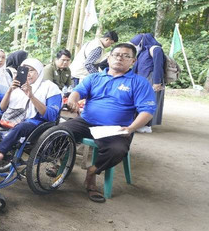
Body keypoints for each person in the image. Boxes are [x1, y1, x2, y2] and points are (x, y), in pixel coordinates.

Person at [57, 43, 155, 203]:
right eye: (116, 54)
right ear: (109, 58)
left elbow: (147, 111)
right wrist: (73, 100)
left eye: (126, 56)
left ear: (133, 61)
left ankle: (92, 172)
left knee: (117, 150)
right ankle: (59, 162)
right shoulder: (94, 77)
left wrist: (131, 128)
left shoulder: (139, 83)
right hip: (86, 121)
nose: (120, 58)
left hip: (116, 128)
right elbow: (77, 92)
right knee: (58, 132)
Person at [0, 58, 61, 170]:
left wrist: (31, 96)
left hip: (36, 122)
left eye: (31, 70)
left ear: (39, 71)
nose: (27, 74)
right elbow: (2, 109)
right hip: (14, 117)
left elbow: (51, 115)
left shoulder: (50, 87)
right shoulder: (18, 86)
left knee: (22, 127)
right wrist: (10, 90)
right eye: (24, 70)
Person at [130, 33, 165, 133]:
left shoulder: (156, 49)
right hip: (144, 79)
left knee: (149, 102)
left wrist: (157, 82)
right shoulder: (143, 50)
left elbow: (159, 66)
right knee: (140, 101)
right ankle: (139, 124)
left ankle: (146, 125)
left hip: (152, 79)